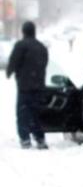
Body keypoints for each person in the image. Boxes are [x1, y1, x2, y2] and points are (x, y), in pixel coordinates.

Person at [5, 21, 49, 150]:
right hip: (39, 86)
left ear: (23, 32)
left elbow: (13, 61)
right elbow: (44, 63)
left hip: (24, 86)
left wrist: (9, 72)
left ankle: (25, 138)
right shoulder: (42, 47)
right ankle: (40, 137)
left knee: (23, 113)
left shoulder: (20, 46)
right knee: (37, 113)